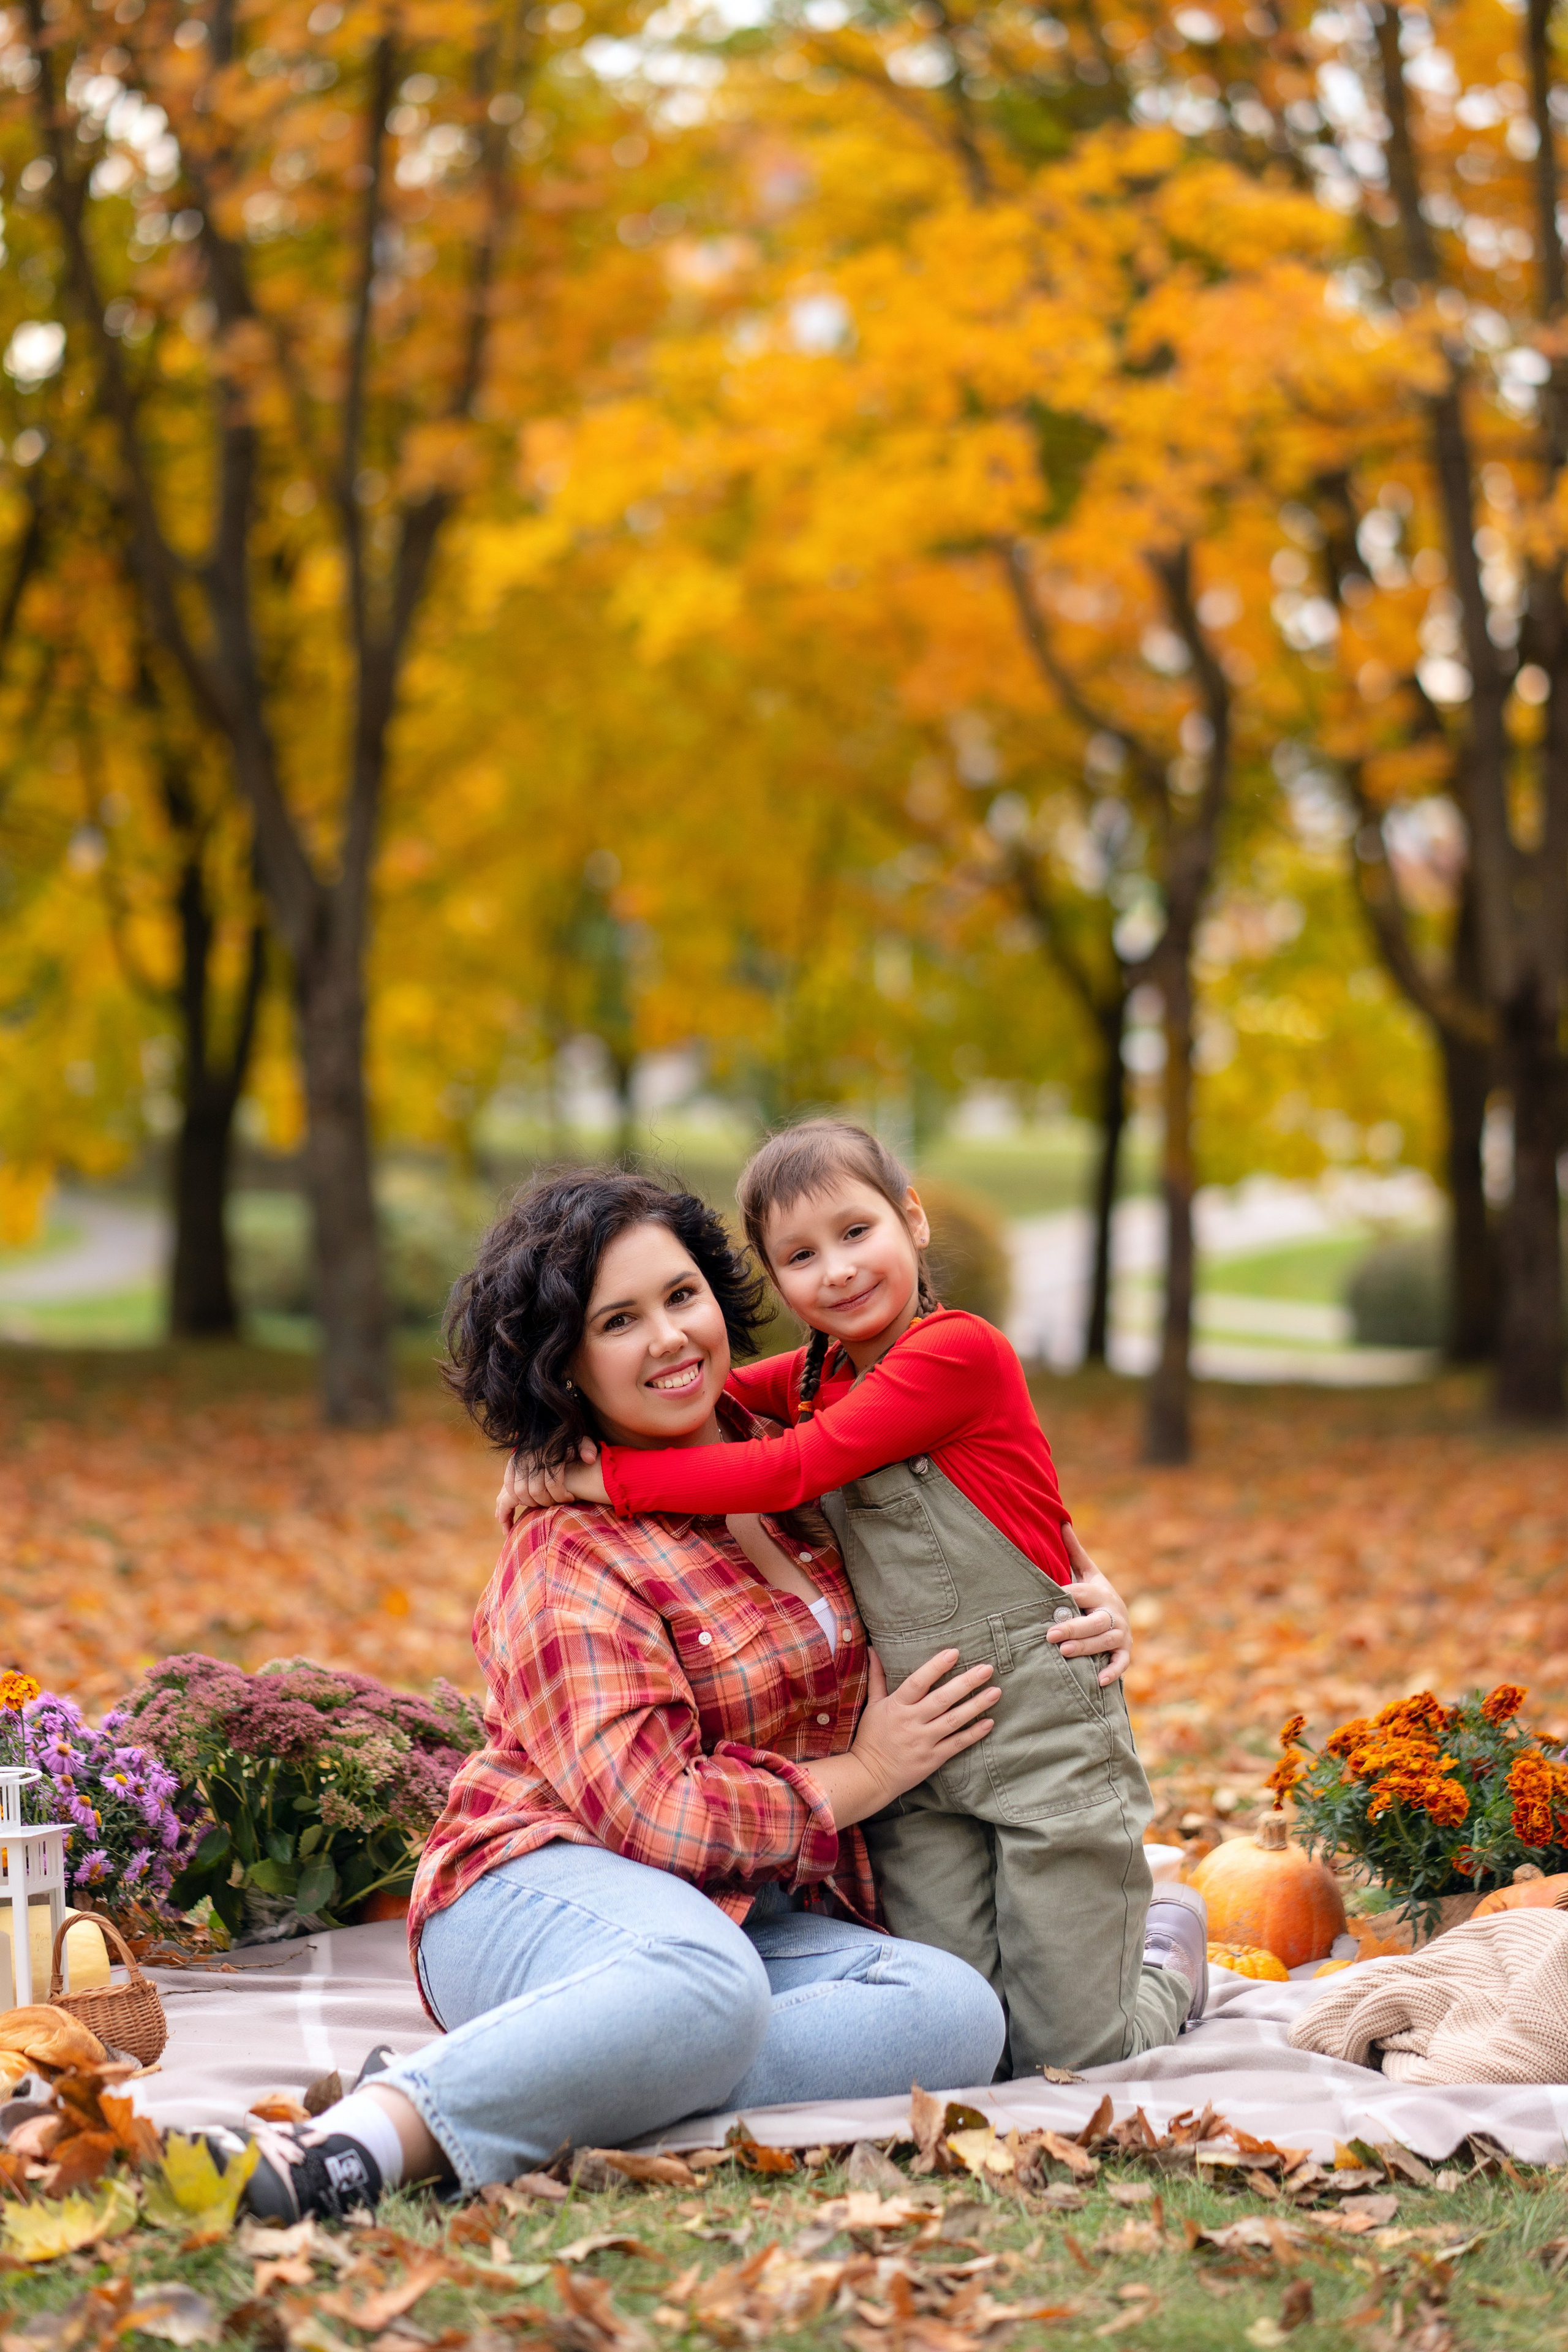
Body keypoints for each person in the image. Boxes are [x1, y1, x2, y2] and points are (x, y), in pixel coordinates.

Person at [241, 1169, 1007, 2222]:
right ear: (565, 1362)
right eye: (619, 1321)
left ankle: (551, 2073)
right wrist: (866, 1775)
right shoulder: (570, 1547)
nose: (670, 1340)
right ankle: (361, 2142)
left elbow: (988, 1480)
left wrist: (1082, 1584)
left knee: (952, 2012)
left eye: (682, 1296)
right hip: (542, 1883)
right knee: (704, 1985)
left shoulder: (781, 1449)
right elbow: (655, 1815)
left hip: (746, 1916)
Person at [502, 1119, 1207, 2079]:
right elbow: (692, 1395)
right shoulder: (808, 1379)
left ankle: (1165, 1961)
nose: (834, 1271)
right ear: (773, 1277)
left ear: (913, 1219)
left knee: (1071, 2045)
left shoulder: (955, 1352)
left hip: (1038, 1734)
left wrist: (604, 1481)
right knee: (977, 2026)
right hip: (914, 1777)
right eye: (799, 1255)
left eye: (856, 1233)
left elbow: (791, 1468)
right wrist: (546, 1444)